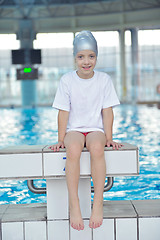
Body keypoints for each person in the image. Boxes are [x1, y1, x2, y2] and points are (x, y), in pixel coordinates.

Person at [49, 30, 122, 231]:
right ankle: (74, 204)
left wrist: (109, 137)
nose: (86, 61)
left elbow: (107, 112)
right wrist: (60, 139)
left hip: (95, 129)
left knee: (98, 148)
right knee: (72, 149)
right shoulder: (67, 80)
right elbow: (63, 113)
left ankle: (97, 202)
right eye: (81, 57)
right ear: (75, 58)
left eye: (91, 56)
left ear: (96, 57)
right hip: (74, 130)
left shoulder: (104, 79)